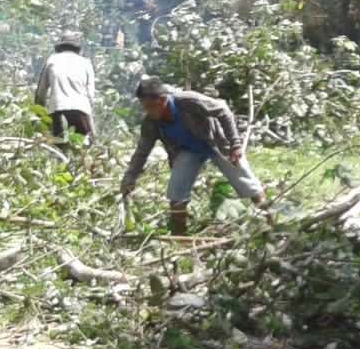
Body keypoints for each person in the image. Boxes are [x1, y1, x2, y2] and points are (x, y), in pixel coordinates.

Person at [120, 78, 268, 236]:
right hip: (188, 150)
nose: (148, 111)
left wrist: (236, 144)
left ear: (162, 99)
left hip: (217, 143)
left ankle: (270, 222)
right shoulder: (151, 123)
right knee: (176, 193)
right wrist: (129, 179)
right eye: (145, 107)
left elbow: (223, 110)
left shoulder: (188, 101)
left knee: (247, 182)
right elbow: (142, 152)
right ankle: (179, 237)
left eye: (150, 107)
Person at [34, 31, 96, 140]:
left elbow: (40, 95)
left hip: (58, 110)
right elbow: (90, 96)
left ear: (60, 47)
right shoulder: (86, 63)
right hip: (81, 111)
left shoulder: (52, 61)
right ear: (77, 49)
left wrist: (41, 118)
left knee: (60, 146)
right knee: (81, 149)